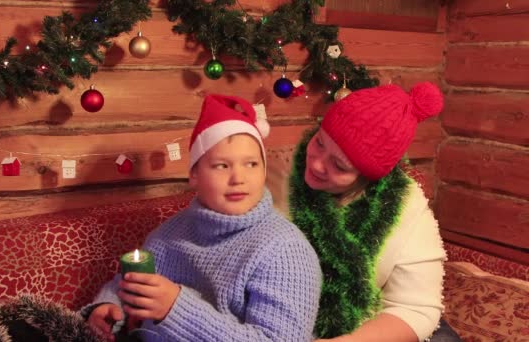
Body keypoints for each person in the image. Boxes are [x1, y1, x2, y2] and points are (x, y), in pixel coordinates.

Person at [81, 94, 322, 341]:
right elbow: (130, 283)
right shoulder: (168, 235)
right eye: (222, 166)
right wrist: (109, 305)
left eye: (251, 164)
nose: (238, 178)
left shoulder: (285, 250)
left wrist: (176, 310)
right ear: (194, 174)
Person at [288, 82, 461, 342]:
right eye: (320, 142)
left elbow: (416, 308)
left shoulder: (405, 209)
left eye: (339, 165)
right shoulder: (277, 177)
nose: (316, 163)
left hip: (371, 328)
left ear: (365, 178)